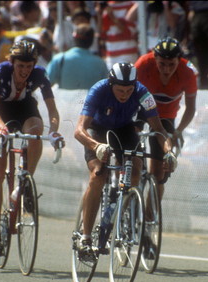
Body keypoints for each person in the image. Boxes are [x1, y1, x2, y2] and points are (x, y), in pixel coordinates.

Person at [73, 62, 175, 257]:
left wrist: (169, 152)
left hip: (125, 130)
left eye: (129, 90)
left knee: (136, 172)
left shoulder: (143, 93)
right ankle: (85, 237)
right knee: (98, 175)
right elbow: (79, 130)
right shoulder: (99, 90)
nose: (125, 94)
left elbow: (160, 130)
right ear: (111, 85)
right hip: (98, 130)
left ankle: (118, 214)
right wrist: (96, 146)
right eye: (120, 90)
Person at [0, 40, 63, 256]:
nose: (25, 72)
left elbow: (52, 110)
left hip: (25, 108)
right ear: (12, 63)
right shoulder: (2, 71)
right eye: (20, 66)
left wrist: (54, 130)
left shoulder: (39, 74)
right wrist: (1, 128)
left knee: (36, 131)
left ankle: (25, 179)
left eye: (29, 67)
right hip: (0, 111)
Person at [135, 37, 198, 203]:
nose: (166, 69)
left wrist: (178, 131)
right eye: (162, 63)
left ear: (180, 60)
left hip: (166, 116)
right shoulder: (143, 64)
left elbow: (190, 109)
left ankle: (149, 219)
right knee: (131, 151)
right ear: (154, 57)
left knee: (158, 173)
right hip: (140, 110)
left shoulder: (188, 72)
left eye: (172, 64)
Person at [47, 23, 108, 89]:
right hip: (90, 99)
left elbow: (45, 83)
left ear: (74, 39)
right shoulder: (100, 63)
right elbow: (106, 89)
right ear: (92, 41)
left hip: (64, 99)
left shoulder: (60, 59)